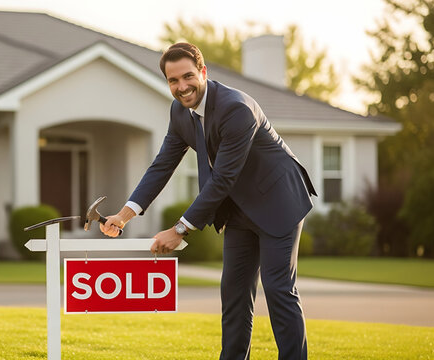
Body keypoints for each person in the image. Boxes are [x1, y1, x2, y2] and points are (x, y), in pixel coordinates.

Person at [100, 42, 317, 360]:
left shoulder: (236, 109)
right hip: (239, 209)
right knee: (233, 293)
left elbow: (223, 178)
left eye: (188, 76)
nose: (182, 86)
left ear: (203, 72)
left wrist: (180, 230)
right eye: (173, 81)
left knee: (278, 289)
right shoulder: (179, 112)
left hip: (278, 201)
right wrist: (124, 214)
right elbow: (163, 165)